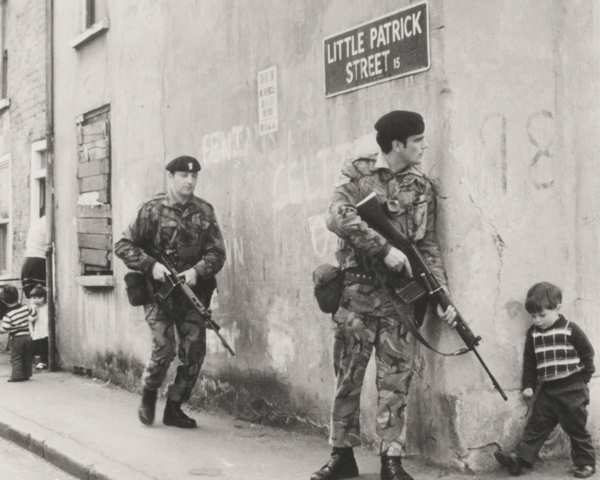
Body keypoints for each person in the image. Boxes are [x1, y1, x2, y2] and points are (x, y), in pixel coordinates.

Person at [312, 111, 457, 480]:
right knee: (348, 378)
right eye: (418, 141)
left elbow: (427, 244)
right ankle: (341, 455)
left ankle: (391, 460)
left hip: (399, 303)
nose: (424, 146)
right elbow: (338, 216)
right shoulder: (358, 174)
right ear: (397, 145)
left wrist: (442, 295)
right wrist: (383, 249)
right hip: (357, 296)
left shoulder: (421, 186)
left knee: (395, 383)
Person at [114, 155, 226, 429]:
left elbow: (217, 252)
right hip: (158, 294)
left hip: (190, 294)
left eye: (194, 176)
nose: (189, 181)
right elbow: (123, 245)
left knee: (195, 351)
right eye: (183, 176)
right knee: (164, 349)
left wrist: (198, 270)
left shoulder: (205, 212)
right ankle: (149, 391)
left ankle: (174, 407)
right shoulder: (151, 210)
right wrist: (150, 265)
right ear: (170, 178)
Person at [494, 282, 596, 479]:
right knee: (536, 425)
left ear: (557, 308)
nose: (537, 320)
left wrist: (583, 379)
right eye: (533, 316)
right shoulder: (533, 334)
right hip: (547, 390)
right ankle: (520, 461)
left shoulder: (570, 329)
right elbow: (530, 363)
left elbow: (587, 353)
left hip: (572, 388)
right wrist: (528, 386)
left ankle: (586, 463)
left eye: (542, 315)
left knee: (576, 428)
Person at [0, 285, 37, 382]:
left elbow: (6, 328)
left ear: (3, 301)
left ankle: (17, 376)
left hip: (17, 339)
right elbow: (34, 312)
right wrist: (29, 319)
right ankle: (27, 374)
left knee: (16, 357)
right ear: (17, 296)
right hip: (28, 337)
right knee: (27, 356)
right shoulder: (25, 307)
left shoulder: (8, 314)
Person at [21, 215, 47, 298]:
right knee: (43, 297)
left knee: (33, 299)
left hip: (27, 262)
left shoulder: (37, 223)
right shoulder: (49, 222)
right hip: (39, 262)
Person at [28, 286, 49, 370]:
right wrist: (35, 312)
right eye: (34, 298)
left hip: (44, 331)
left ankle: (43, 362)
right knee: (34, 346)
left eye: (39, 298)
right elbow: (29, 319)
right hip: (36, 331)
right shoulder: (31, 308)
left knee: (43, 346)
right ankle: (33, 360)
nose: (36, 300)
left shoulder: (47, 307)